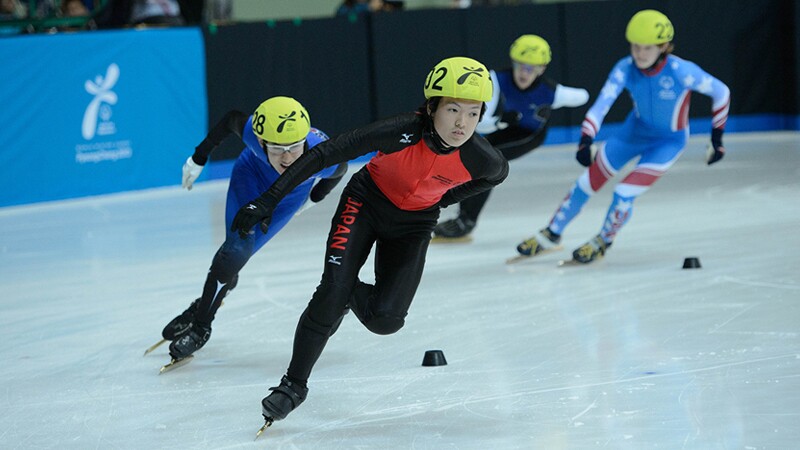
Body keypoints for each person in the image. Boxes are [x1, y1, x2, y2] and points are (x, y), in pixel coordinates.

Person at [229, 56, 508, 428]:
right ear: (431, 107)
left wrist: (443, 200)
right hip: (365, 204)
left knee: (386, 320)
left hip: (415, 224)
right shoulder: (399, 130)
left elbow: (495, 177)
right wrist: (268, 200)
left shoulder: (482, 158)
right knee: (330, 293)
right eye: (453, 109)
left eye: (474, 113)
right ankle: (293, 385)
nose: (462, 123)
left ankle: (343, 291)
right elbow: (325, 153)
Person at [514, 10, 730, 264]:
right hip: (632, 133)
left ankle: (603, 240)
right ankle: (552, 233)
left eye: (646, 48)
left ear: (663, 47)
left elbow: (722, 92)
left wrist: (717, 139)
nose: (639, 53)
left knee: (624, 192)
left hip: (667, 143)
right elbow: (602, 104)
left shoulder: (682, 71)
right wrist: (586, 138)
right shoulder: (625, 67)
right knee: (586, 182)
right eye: (635, 46)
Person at [156, 96, 348, 364]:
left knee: (234, 256)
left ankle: (203, 314)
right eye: (278, 149)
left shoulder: (322, 154)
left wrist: (314, 197)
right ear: (260, 142)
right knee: (233, 252)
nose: (288, 157)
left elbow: (341, 169)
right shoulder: (250, 133)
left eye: (295, 147)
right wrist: (199, 157)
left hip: (288, 197)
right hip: (248, 178)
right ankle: (203, 317)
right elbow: (230, 119)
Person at [433, 34, 589, 241]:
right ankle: (463, 217)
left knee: (485, 164)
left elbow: (582, 96)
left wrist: (553, 103)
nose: (525, 73)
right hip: (502, 130)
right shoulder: (496, 80)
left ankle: (466, 221)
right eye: (521, 65)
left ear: (542, 69)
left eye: (532, 68)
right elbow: (484, 122)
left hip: (529, 135)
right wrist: (500, 119)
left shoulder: (551, 91)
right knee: (476, 159)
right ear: (513, 62)